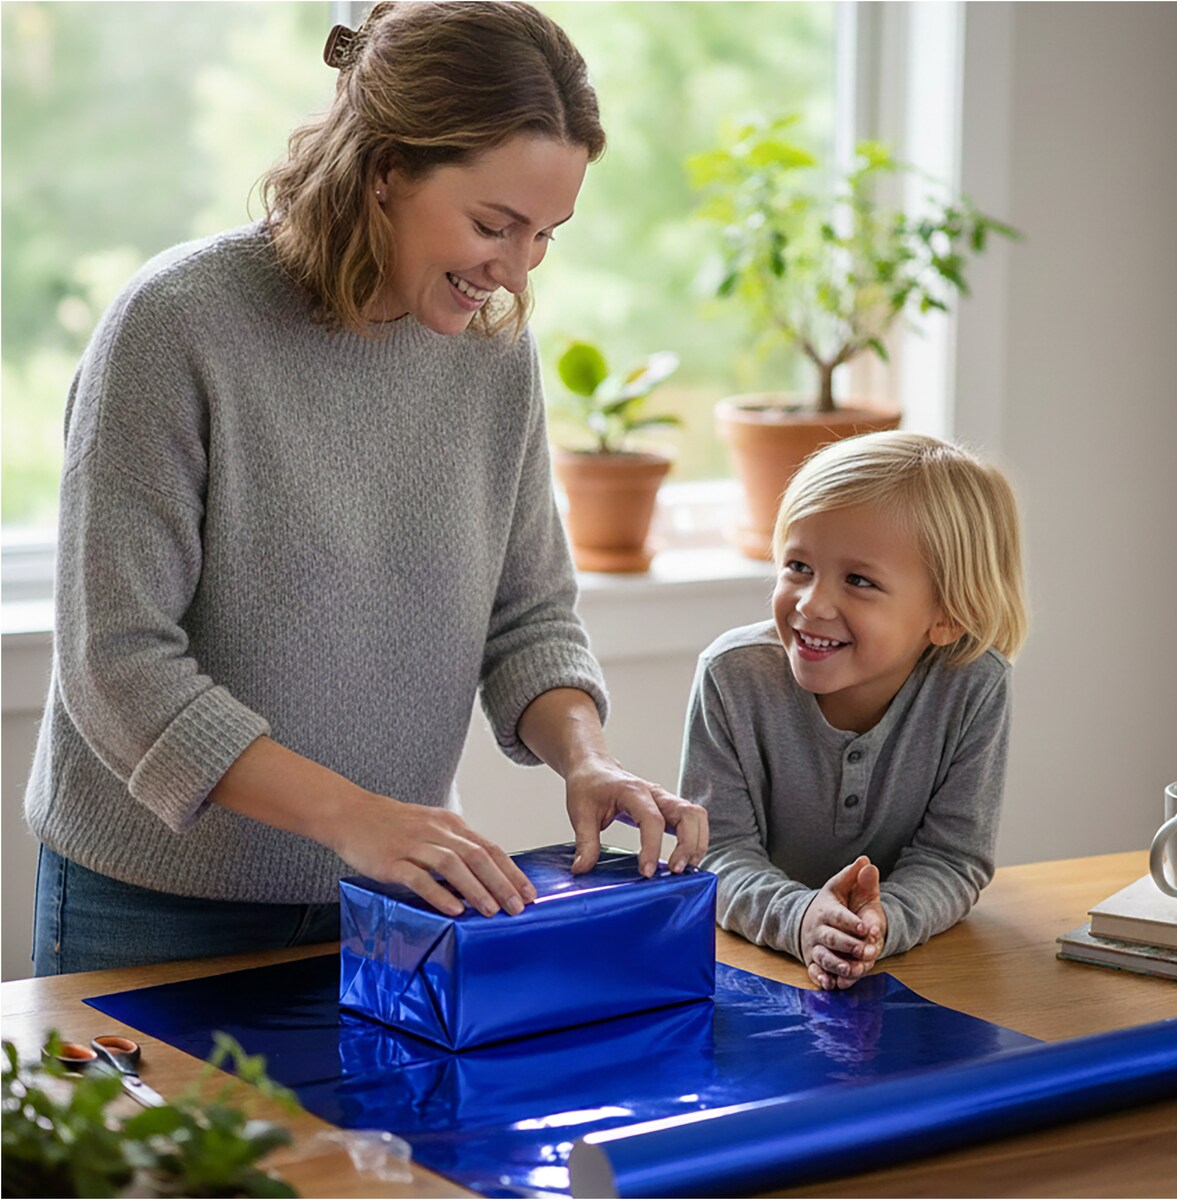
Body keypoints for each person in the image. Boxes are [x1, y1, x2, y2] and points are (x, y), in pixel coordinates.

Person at [26, 0, 706, 976]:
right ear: (386, 170)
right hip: (156, 907)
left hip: (389, 898)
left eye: (546, 235)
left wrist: (585, 759)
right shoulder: (175, 326)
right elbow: (118, 665)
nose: (515, 273)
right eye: (492, 224)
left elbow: (528, 614)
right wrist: (357, 819)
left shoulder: (490, 355)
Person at [680, 431, 1028, 991]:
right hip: (751, 970)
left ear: (947, 615)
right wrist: (801, 919)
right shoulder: (732, 677)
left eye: (859, 580)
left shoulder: (974, 687)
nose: (812, 604)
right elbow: (717, 853)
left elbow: (952, 859)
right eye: (798, 566)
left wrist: (880, 923)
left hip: (906, 973)